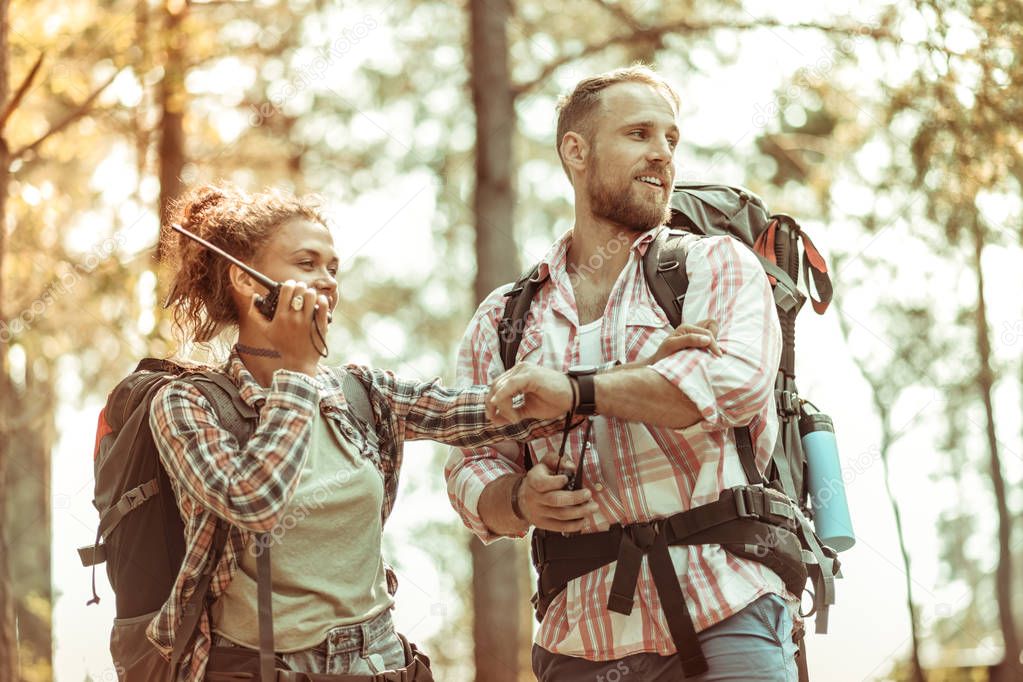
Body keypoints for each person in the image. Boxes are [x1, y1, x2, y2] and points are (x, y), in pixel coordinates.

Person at [445, 65, 797, 681]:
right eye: (639, 134)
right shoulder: (504, 318)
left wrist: (575, 389)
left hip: (729, 612)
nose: (662, 154)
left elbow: (734, 386)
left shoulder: (715, 266)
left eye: (671, 139)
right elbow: (471, 466)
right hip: (577, 642)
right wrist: (518, 499)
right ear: (575, 151)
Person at [148, 183, 578, 681]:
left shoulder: (359, 392)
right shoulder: (186, 404)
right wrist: (297, 373)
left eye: (333, 268)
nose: (328, 281)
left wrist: (599, 385)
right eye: (307, 264)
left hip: (381, 661)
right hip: (266, 668)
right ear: (246, 280)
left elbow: (479, 412)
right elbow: (255, 499)